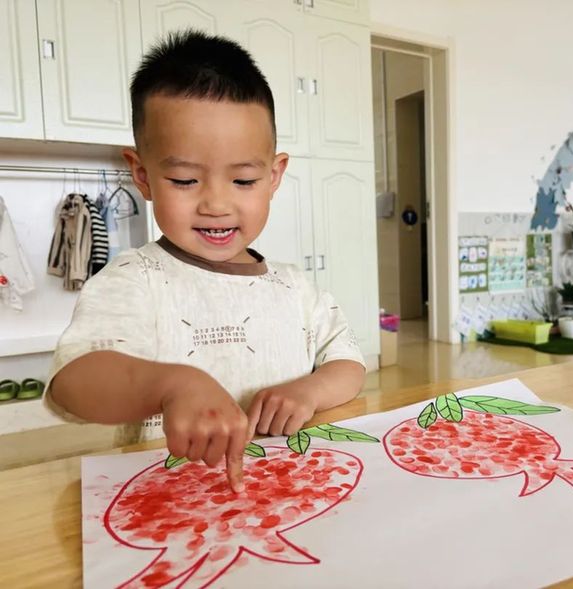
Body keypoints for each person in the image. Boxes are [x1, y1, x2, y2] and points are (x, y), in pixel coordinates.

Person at [45, 31, 366, 493]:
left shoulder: (294, 288)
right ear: (143, 176)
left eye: (243, 180)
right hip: (173, 497)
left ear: (274, 176)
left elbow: (347, 363)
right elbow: (73, 382)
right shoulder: (136, 280)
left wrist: (309, 391)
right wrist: (172, 386)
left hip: (287, 487)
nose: (216, 204)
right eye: (184, 179)